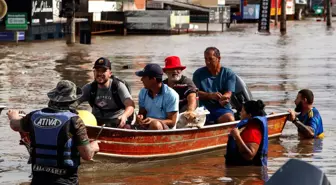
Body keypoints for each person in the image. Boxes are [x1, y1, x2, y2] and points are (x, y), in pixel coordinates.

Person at [7, 80, 100, 185]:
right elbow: (87, 155)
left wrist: (13, 116)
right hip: (65, 181)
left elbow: (15, 125)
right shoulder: (75, 121)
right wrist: (94, 147)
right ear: (73, 102)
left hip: (39, 180)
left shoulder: (34, 116)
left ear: (53, 98)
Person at [76, 57, 135, 128]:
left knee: (127, 127)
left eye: (103, 71)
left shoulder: (118, 86)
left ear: (110, 73)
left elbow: (130, 105)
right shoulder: (89, 88)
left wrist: (124, 116)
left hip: (117, 121)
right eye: (97, 70)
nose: (100, 73)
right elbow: (74, 102)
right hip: (96, 122)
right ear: (94, 72)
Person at [192, 47, 236, 124]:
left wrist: (224, 98)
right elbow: (194, 93)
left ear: (218, 58)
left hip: (221, 108)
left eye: (210, 59)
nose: (207, 62)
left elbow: (229, 93)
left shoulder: (228, 73)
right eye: (205, 59)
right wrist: (210, 95)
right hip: (202, 109)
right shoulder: (198, 73)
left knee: (230, 119)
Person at [135, 63, 179, 130]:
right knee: (127, 127)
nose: (141, 80)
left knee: (155, 124)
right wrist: (139, 118)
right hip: (147, 126)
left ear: (153, 79)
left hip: (164, 129)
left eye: (144, 77)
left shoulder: (171, 95)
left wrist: (153, 120)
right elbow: (142, 112)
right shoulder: (143, 92)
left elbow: (172, 122)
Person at [225, 100, 268, 166]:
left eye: (242, 111)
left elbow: (249, 156)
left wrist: (237, 136)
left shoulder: (252, 131)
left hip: (246, 172)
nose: (240, 112)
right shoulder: (248, 127)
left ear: (249, 115)